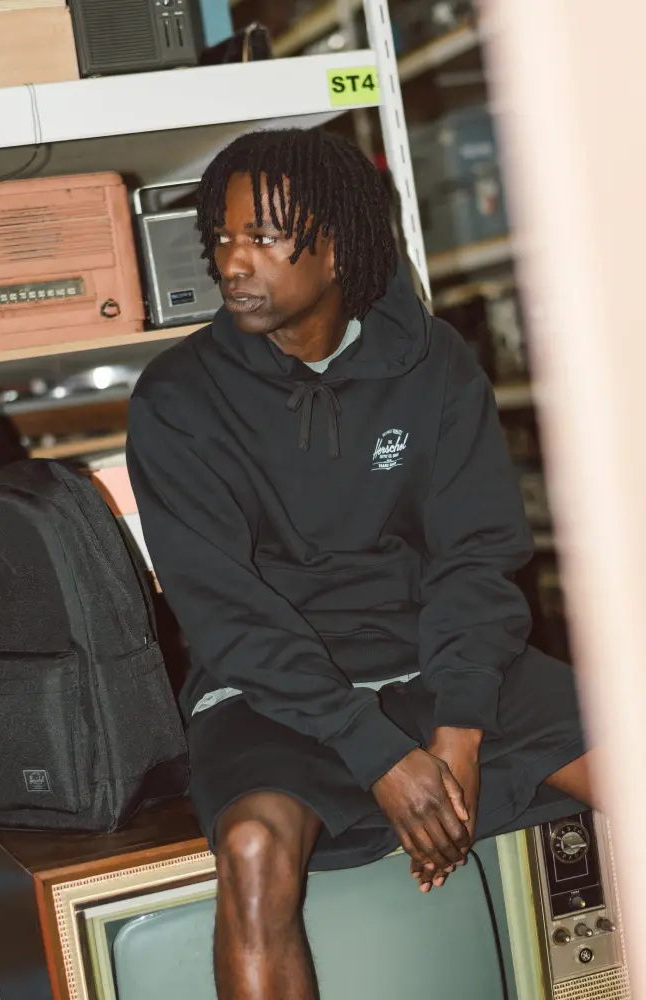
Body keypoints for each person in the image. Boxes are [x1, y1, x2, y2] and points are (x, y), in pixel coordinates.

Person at [126, 128, 593, 1000]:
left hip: (434, 652)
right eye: (222, 238)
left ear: (337, 245)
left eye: (262, 239)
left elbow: (477, 558)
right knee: (254, 850)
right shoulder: (176, 401)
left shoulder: (437, 366)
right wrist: (376, 750)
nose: (233, 263)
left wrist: (457, 729)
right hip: (271, 691)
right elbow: (228, 615)